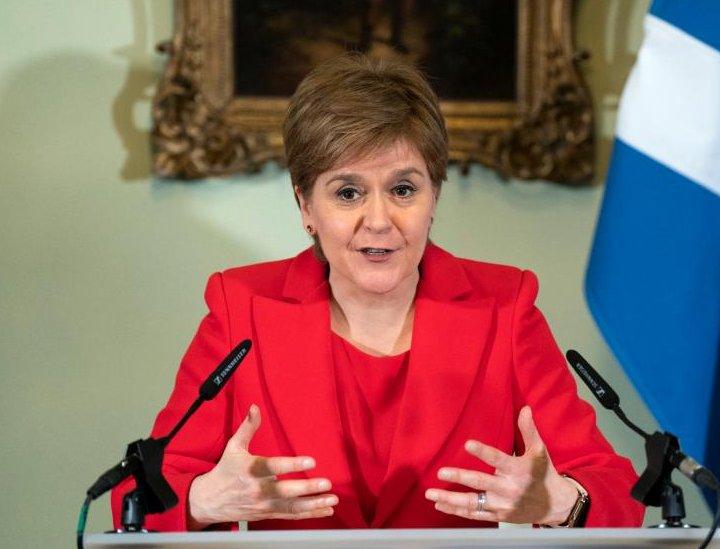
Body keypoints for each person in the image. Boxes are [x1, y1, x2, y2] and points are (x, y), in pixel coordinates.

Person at [111, 54, 645, 530]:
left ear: (434, 196)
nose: (379, 220)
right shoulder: (242, 308)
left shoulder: (504, 308)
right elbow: (133, 497)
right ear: (305, 207)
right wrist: (205, 499)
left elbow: (617, 489)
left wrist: (561, 502)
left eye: (403, 189)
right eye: (347, 193)